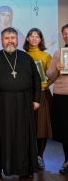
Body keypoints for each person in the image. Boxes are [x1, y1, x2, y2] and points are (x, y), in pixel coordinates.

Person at [0, 27, 41, 178]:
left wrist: (36, 99)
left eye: (13, 38)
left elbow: (36, 79)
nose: (10, 40)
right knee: (0, 135)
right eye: (7, 38)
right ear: (1, 40)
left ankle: (24, 168)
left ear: (17, 40)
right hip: (0, 102)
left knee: (23, 135)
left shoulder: (26, 58)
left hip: (24, 101)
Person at [24, 28, 53, 170]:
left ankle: (39, 156)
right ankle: (28, 155)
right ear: (27, 38)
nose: (34, 38)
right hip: (25, 95)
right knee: (27, 126)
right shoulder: (22, 55)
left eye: (37, 36)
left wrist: (44, 85)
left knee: (42, 127)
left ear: (41, 40)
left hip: (42, 94)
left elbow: (52, 76)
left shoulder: (46, 56)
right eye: (31, 36)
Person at [46, 24, 68, 174]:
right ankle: (67, 161)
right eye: (65, 33)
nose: (67, 35)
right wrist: (57, 69)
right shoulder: (57, 54)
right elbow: (50, 76)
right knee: (65, 131)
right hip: (61, 97)